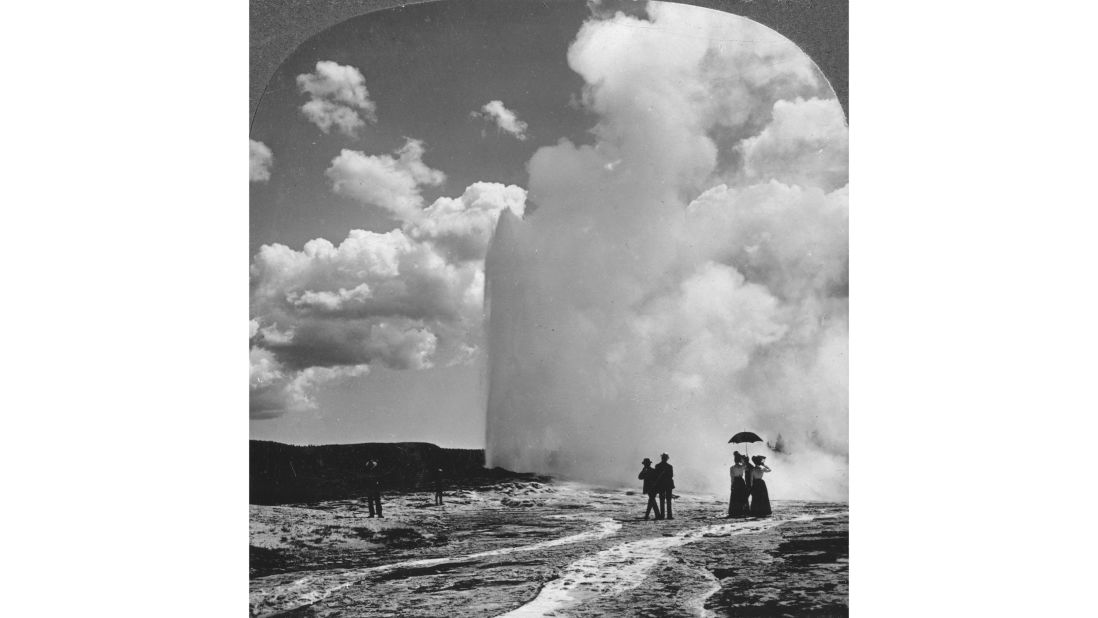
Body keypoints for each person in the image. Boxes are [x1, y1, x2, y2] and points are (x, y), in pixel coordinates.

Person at [653, 453, 675, 520]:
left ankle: (662, 515)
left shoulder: (657, 466)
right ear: (667, 458)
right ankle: (669, 515)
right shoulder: (670, 466)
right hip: (668, 484)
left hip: (661, 485)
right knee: (668, 500)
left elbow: (656, 476)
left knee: (662, 500)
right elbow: (671, 475)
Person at [728, 452, 750, 518]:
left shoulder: (732, 468)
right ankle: (743, 510)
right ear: (739, 460)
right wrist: (746, 459)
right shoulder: (742, 467)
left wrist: (731, 485)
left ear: (734, 460)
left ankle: (735, 511)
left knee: (735, 496)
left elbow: (732, 477)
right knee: (742, 496)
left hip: (736, 482)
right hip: (741, 482)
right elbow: (747, 467)